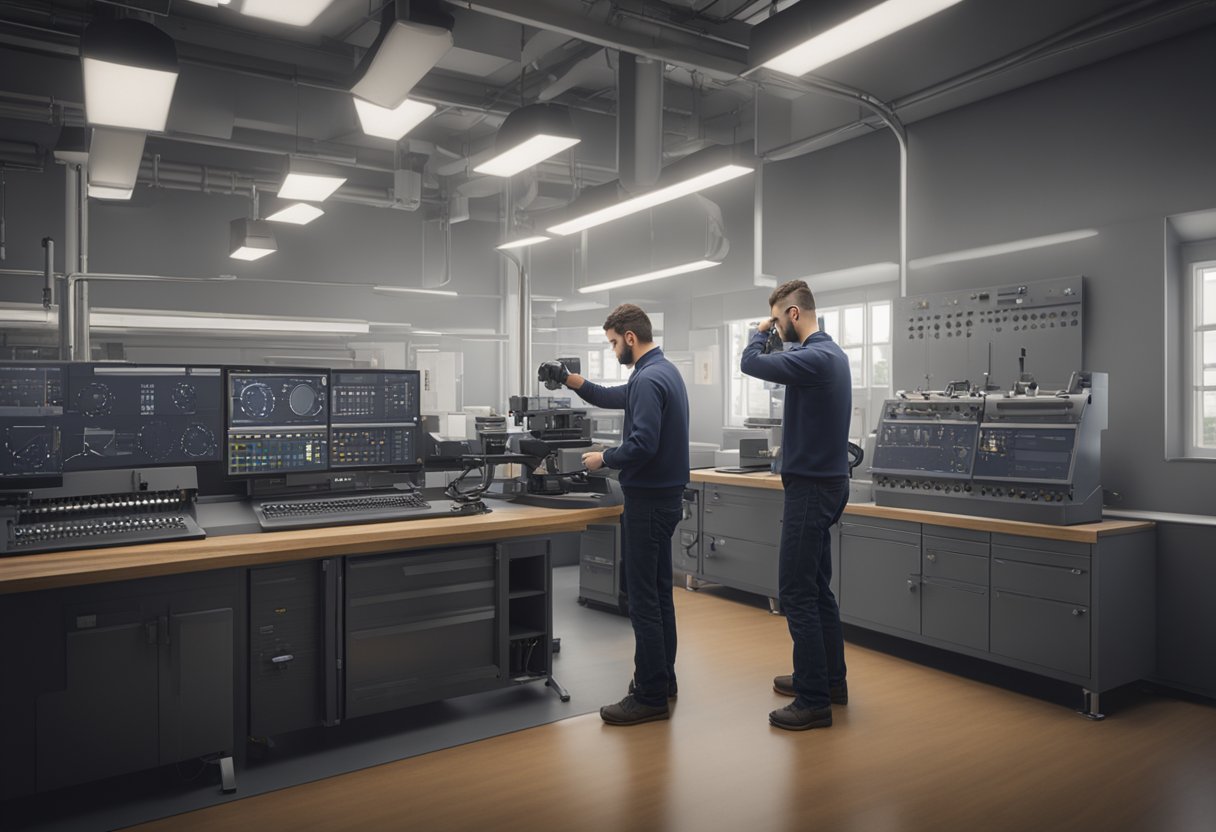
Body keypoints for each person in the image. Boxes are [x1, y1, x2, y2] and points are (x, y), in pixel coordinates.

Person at [538, 303, 690, 726]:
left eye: (611, 344)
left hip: (647, 502)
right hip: (667, 499)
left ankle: (649, 695)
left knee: (642, 600)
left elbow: (642, 443)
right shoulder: (662, 372)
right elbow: (608, 395)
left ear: (628, 337)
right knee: (660, 595)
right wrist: (568, 379)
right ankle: (663, 679)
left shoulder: (647, 379)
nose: (612, 352)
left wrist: (601, 459)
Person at [740, 279, 852, 731]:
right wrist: (771, 331)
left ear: (791, 315)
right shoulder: (831, 355)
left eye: (777, 318)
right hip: (825, 484)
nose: (776, 328)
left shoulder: (817, 357)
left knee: (797, 592)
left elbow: (751, 362)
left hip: (811, 489)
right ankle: (829, 681)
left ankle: (812, 700)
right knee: (818, 589)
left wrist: (757, 331)